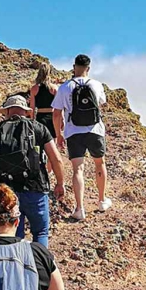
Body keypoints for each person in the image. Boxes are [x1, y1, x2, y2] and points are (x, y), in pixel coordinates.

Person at [0, 94, 66, 248]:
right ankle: (41, 262)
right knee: (41, 232)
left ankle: (15, 261)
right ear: (25, 111)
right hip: (36, 188)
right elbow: (56, 159)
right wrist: (60, 183)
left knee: (12, 234)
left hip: (6, 191)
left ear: (7, 111)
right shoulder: (38, 128)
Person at [52, 53, 111, 222]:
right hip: (95, 129)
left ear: (74, 67)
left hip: (73, 131)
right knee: (99, 163)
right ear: (88, 68)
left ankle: (79, 209)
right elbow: (101, 104)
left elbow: (56, 114)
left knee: (78, 169)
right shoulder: (96, 85)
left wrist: (58, 135)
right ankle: (102, 201)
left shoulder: (65, 87)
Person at [28, 63, 59, 141]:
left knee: (40, 142)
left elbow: (32, 108)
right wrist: (61, 121)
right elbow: (58, 107)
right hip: (52, 118)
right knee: (53, 143)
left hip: (40, 117)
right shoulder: (54, 88)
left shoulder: (34, 89)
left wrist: (32, 122)